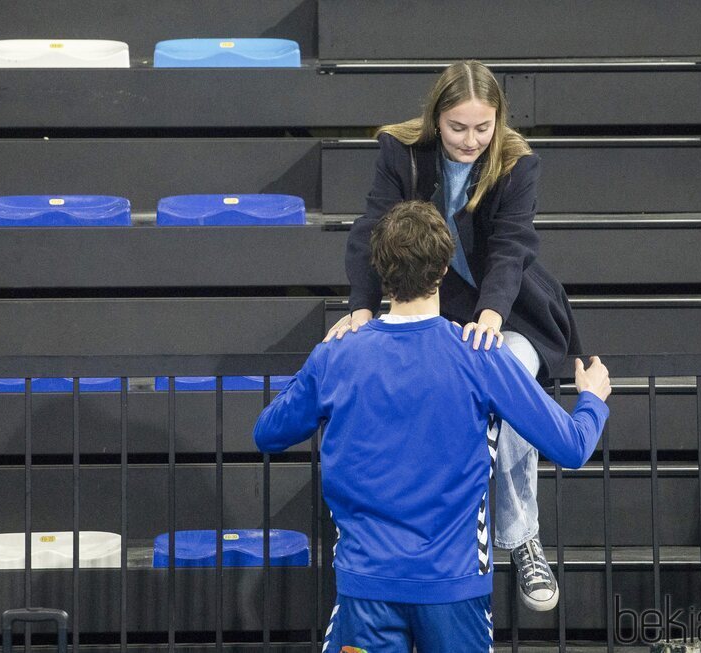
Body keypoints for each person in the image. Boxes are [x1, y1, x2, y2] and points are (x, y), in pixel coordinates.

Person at [255, 201, 610, 652]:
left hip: (367, 589)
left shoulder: (337, 355)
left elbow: (268, 431)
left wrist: (319, 360)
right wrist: (592, 400)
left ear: (380, 270)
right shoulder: (481, 356)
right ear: (444, 268)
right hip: (454, 592)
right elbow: (573, 446)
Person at [327, 60, 580, 611]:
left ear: (499, 122)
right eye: (457, 128)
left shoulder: (517, 162)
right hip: (433, 307)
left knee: (506, 368)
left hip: (511, 310)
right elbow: (372, 231)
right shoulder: (402, 151)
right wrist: (363, 308)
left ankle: (521, 536)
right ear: (436, 119)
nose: (470, 140)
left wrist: (491, 315)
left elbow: (512, 247)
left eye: (482, 128)